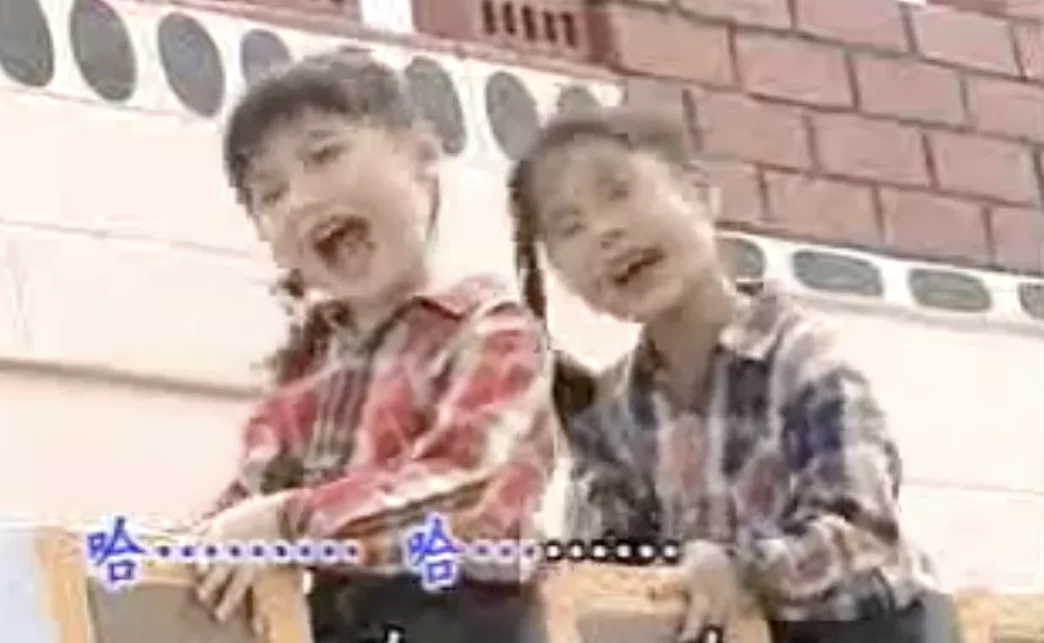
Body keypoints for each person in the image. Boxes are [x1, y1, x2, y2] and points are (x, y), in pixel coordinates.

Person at [506, 106, 958, 643]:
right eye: (569, 227)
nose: (604, 231)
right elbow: (608, 577)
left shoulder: (802, 359)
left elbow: (866, 540)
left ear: (701, 195)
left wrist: (742, 571)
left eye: (618, 192)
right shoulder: (609, 421)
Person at [192, 51, 559, 643]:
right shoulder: (304, 376)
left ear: (420, 157)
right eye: (271, 193)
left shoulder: (489, 329)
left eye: (324, 154)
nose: (300, 199)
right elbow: (243, 505)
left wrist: (290, 519)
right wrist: (193, 554)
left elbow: (473, 488)